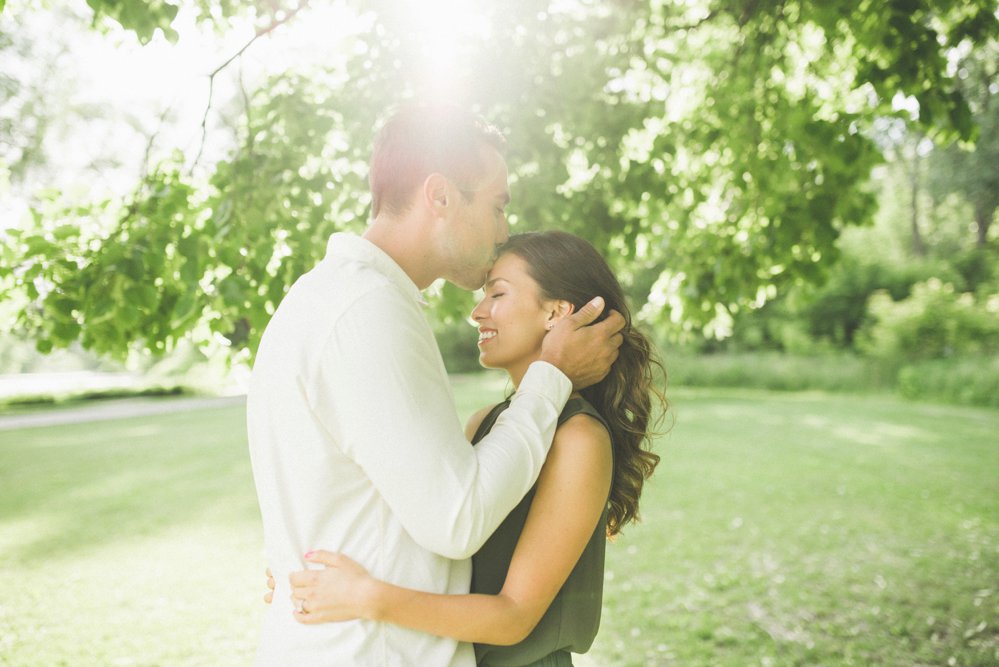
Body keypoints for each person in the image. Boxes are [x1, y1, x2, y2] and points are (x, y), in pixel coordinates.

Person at [247, 106, 625, 666]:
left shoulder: (325, 299)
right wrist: (552, 377)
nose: (501, 231)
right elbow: (458, 519)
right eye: (498, 206)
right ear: (441, 196)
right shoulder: (367, 310)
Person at [276, 230, 668, 666]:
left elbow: (513, 617)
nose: (477, 313)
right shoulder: (485, 422)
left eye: (496, 294)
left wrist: (368, 597)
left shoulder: (579, 440)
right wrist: (317, 579)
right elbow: (433, 542)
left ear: (556, 312)